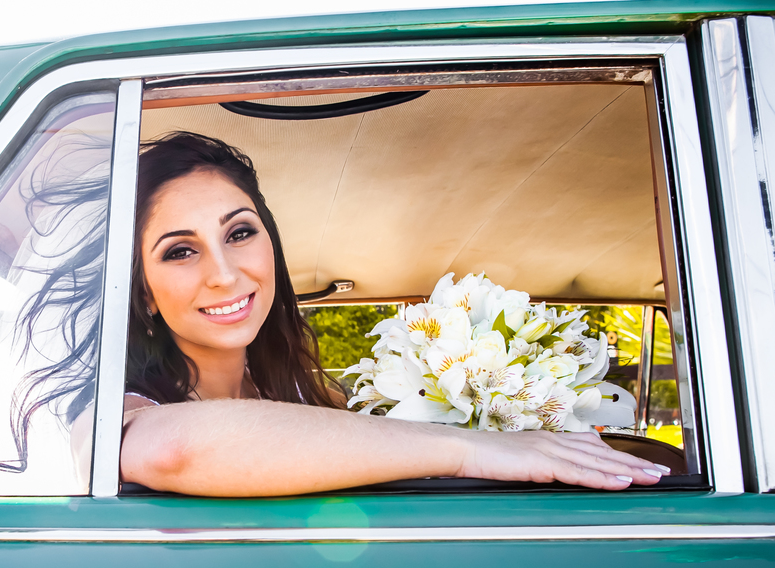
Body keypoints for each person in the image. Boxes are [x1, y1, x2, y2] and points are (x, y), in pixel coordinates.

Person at [115, 131, 669, 496]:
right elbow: (172, 448)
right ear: (143, 292)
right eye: (180, 251)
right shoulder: (116, 409)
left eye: (240, 232)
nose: (225, 274)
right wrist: (473, 448)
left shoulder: (308, 395)